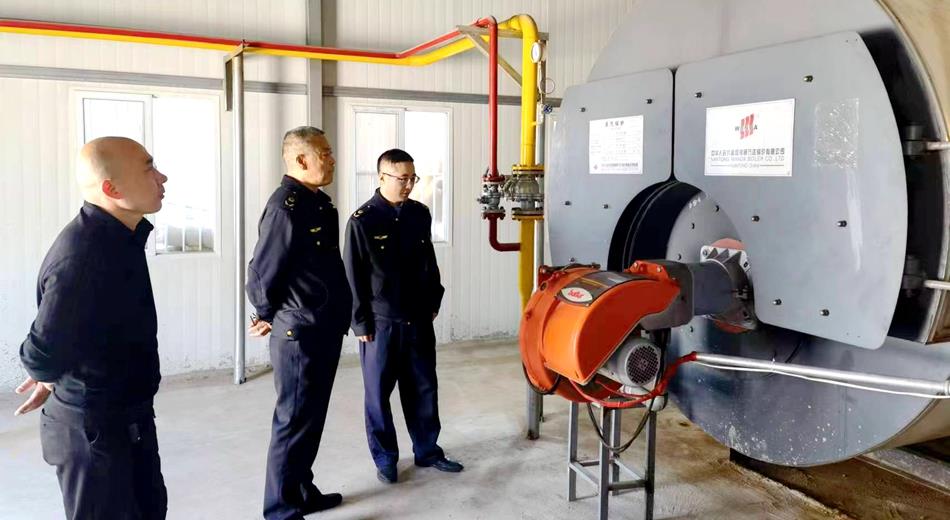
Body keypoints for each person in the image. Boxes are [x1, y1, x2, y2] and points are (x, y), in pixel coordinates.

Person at [16, 136, 169, 519]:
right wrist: (47, 373)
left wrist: (52, 371)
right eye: (149, 168)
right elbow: (41, 354)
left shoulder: (119, 237)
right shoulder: (85, 255)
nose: (162, 177)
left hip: (127, 417)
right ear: (111, 189)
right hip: (94, 432)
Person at [247, 126, 352, 520]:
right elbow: (262, 272)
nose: (332, 159)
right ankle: (280, 509)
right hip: (300, 331)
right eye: (325, 153)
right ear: (301, 159)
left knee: (310, 418)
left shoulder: (317, 203)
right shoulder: (285, 207)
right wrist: (265, 313)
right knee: (293, 420)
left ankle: (301, 491)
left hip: (322, 325)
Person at [343, 148, 463, 485]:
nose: (409, 185)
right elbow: (352, 275)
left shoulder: (418, 214)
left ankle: (427, 451)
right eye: (402, 179)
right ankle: (385, 460)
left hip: (418, 318)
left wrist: (434, 298)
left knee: (423, 387)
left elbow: (428, 261)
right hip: (381, 323)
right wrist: (360, 322)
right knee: (378, 395)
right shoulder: (362, 221)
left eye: (413, 178)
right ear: (382, 177)